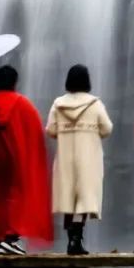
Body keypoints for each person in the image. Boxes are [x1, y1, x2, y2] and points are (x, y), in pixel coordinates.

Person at [0, 64, 53, 256]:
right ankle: (12, 238)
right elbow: (35, 132)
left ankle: (1, 239)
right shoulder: (22, 104)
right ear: (15, 82)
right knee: (17, 194)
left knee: (0, 197)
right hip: (16, 157)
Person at [46, 64, 113, 256]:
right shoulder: (95, 104)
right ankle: (76, 240)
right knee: (84, 197)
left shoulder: (58, 104)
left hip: (66, 156)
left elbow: (50, 129)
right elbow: (107, 128)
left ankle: (71, 241)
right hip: (88, 156)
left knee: (68, 196)